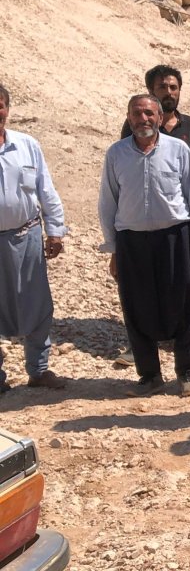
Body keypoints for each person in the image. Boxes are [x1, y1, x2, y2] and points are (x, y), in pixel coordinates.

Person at [99, 94, 190, 397]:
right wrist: (113, 249)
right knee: (136, 306)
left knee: (184, 304)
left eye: (149, 113)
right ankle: (149, 375)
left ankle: (186, 374)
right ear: (129, 118)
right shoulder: (116, 154)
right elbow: (108, 202)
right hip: (131, 242)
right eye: (137, 114)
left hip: (175, 237)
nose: (143, 119)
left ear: (160, 117)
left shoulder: (178, 150)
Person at [0, 83, 67, 392]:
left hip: (27, 236)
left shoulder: (27, 145)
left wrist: (55, 230)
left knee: (38, 302)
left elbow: (46, 190)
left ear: (7, 109)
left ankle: (38, 370)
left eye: (0, 104)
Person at [119, 65, 190, 145]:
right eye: (162, 87)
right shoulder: (138, 122)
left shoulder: (189, 124)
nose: (169, 92)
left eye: (173, 87)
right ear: (151, 91)